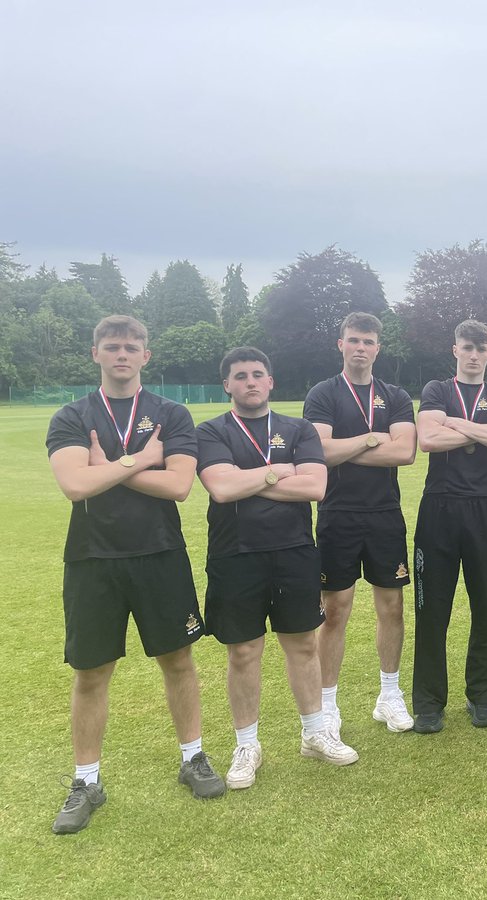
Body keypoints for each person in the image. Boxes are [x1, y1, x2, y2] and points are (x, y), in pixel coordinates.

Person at [45, 315, 224, 834]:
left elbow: (179, 487)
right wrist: (141, 460)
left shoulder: (171, 413)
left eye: (131, 346)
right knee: (91, 672)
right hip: (92, 560)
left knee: (178, 659)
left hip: (160, 554)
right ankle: (86, 781)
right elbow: (76, 485)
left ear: (147, 355)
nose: (121, 354)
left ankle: (193, 758)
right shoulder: (72, 416)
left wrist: (114, 468)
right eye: (111, 346)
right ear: (95, 353)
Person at [197, 348, 358, 789]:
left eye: (258, 374)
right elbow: (221, 488)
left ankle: (314, 734)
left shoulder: (298, 428)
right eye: (240, 376)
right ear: (226, 385)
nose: (250, 381)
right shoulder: (210, 431)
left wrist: (248, 478)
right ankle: (247, 745)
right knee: (244, 652)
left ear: (271, 382)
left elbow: (315, 486)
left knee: (302, 645)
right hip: (235, 554)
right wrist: (276, 472)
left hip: (293, 552)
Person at [303, 312, 417, 737]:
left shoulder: (397, 395)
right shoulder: (323, 393)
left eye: (368, 342)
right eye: (353, 340)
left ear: (378, 348)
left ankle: (389, 696)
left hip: (385, 514)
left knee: (392, 607)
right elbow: (320, 453)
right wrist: (373, 438)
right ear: (341, 344)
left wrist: (346, 447)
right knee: (334, 610)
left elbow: (405, 453)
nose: (360, 348)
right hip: (338, 514)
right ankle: (327, 705)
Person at [411, 320, 487, 733]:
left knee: (486, 607)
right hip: (439, 508)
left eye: (482, 348)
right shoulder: (437, 390)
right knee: (431, 610)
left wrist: (454, 424)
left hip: (485, 508)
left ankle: (483, 698)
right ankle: (428, 704)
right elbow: (428, 441)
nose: (474, 354)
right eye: (467, 347)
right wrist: (481, 434)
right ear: (455, 349)